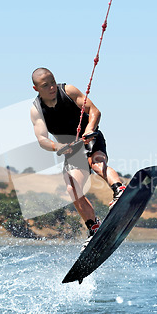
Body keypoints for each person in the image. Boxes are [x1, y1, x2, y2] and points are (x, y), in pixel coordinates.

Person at [30, 67, 125, 250]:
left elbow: (95, 111)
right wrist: (58, 147)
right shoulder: (37, 110)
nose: (51, 88)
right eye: (45, 85)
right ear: (36, 88)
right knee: (72, 187)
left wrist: (90, 128)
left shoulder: (68, 91)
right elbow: (42, 139)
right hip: (72, 150)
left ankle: (119, 190)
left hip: (89, 139)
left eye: (52, 82)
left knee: (97, 163)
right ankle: (94, 227)